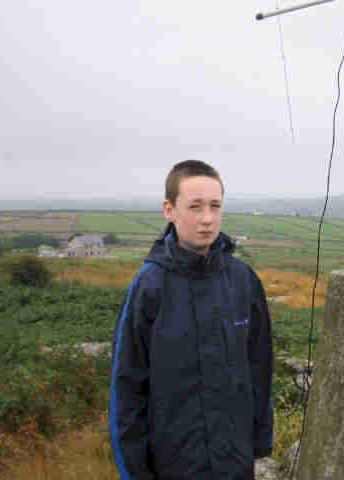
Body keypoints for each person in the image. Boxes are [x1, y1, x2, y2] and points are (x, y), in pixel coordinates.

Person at [110, 160, 274, 480]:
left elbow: (260, 368)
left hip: (235, 462)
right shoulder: (149, 286)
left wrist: (259, 442)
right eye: (195, 206)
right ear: (169, 210)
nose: (207, 219)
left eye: (215, 206)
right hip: (173, 465)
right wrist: (134, 472)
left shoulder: (243, 281)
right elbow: (126, 388)